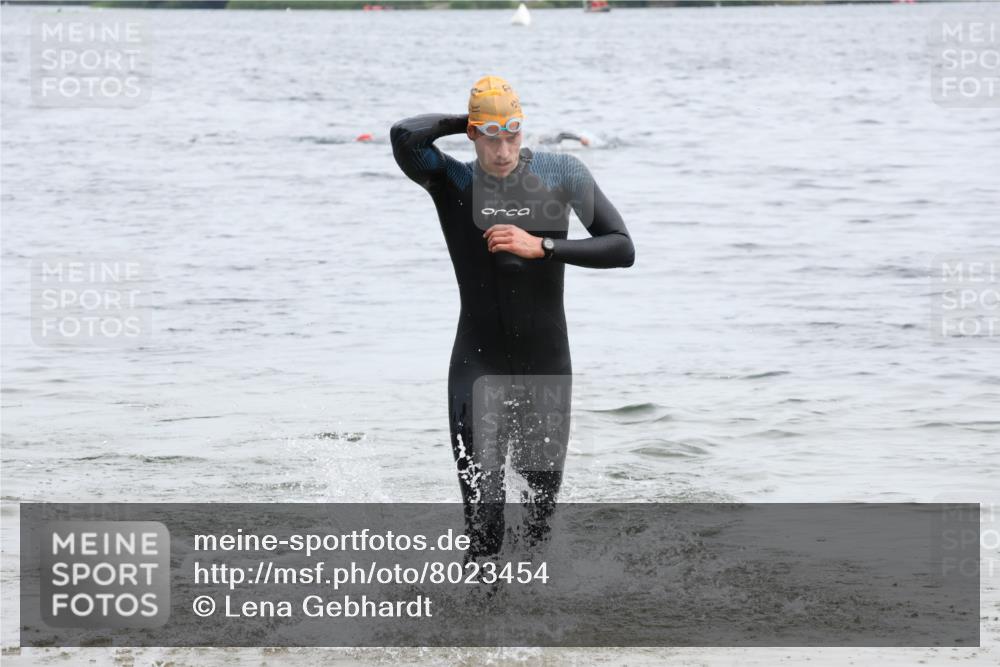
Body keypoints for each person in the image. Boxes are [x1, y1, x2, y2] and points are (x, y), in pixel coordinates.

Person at [390, 75, 634, 561]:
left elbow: (621, 248)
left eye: (512, 135)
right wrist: (469, 120)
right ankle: (477, 628)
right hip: (477, 366)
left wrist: (542, 245)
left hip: (546, 366)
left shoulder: (562, 174)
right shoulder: (452, 179)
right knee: (484, 521)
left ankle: (533, 630)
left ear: (524, 132)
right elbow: (404, 136)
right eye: (490, 137)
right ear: (474, 136)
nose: (503, 150)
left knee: (539, 524)